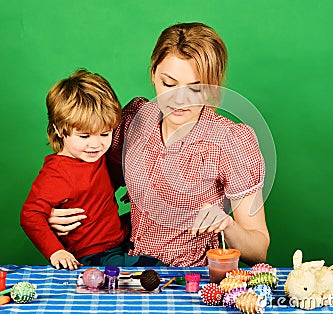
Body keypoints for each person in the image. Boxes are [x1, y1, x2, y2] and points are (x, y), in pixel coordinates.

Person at [49, 22, 270, 267]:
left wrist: (227, 225)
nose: (179, 100)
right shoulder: (135, 119)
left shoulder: (231, 141)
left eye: (195, 88)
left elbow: (259, 251)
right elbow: (92, 185)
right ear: (154, 73)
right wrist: (59, 211)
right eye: (169, 84)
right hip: (127, 266)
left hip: (187, 279)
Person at [20, 69, 164, 270]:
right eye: (84, 136)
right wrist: (56, 251)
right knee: (154, 266)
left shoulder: (100, 156)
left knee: (161, 223)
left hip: (118, 236)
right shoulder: (58, 173)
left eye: (105, 134)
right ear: (59, 130)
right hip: (94, 254)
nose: (95, 144)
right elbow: (30, 215)